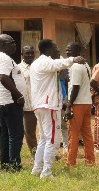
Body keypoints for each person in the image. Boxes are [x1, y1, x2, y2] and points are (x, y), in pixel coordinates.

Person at [29, 39, 80, 178]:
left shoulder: (35, 63)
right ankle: (46, 172)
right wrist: (73, 59)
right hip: (48, 106)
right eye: (55, 48)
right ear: (49, 50)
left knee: (44, 139)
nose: (57, 51)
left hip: (40, 106)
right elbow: (60, 63)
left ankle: (37, 169)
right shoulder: (46, 62)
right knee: (52, 140)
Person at [0, 34, 27, 171]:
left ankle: (5, 163)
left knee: (5, 133)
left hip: (1, 100)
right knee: (16, 134)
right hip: (10, 101)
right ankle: (14, 164)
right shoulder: (3, 58)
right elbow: (3, 77)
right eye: (11, 42)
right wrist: (18, 95)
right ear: (2, 45)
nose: (15, 45)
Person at [65, 45, 95, 167]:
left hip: (77, 103)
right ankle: (90, 161)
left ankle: (70, 162)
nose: (67, 52)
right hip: (87, 102)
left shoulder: (76, 66)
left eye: (70, 50)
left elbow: (76, 87)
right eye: (67, 50)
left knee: (73, 134)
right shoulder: (85, 64)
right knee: (87, 134)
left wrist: (69, 105)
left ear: (77, 51)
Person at [20, 45, 38, 157]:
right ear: (22, 55)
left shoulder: (38, 66)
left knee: (46, 130)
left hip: (41, 103)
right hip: (28, 105)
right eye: (27, 53)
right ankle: (35, 154)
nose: (30, 55)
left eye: (32, 53)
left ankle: (48, 152)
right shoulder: (18, 69)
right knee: (30, 132)